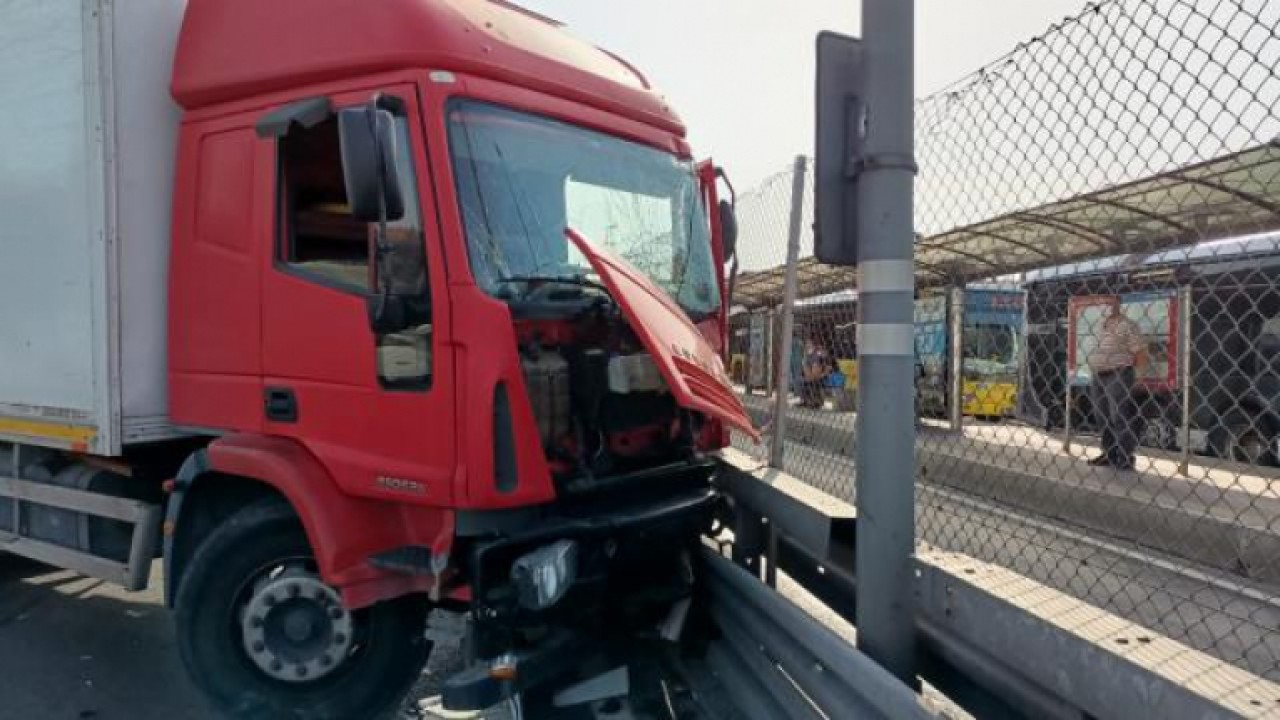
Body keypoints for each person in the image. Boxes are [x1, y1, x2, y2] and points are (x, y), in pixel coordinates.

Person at [1086, 305, 1149, 470]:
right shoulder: (1099, 325)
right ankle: (1109, 453)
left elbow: (1141, 353)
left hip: (1118, 374)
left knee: (1118, 416)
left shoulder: (1128, 325)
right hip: (1098, 375)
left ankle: (1125, 456)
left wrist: (1139, 378)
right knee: (1101, 416)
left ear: (1116, 304)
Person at [800, 338, 831, 409]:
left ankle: (816, 401)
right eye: (807, 344)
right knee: (806, 381)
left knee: (814, 380)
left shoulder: (819, 352)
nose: (807, 345)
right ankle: (807, 400)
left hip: (822, 374)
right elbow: (805, 366)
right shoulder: (806, 354)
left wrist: (822, 374)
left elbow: (828, 366)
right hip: (811, 375)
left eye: (809, 344)